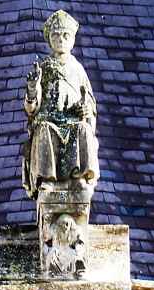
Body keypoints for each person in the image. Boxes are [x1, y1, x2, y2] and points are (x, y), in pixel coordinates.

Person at [22, 10, 99, 198]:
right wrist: (32, 88)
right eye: (55, 35)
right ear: (49, 39)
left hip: (72, 121)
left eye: (66, 35)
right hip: (50, 120)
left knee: (83, 130)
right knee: (44, 130)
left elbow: (89, 102)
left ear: (72, 39)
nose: (61, 40)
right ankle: (47, 180)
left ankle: (79, 178)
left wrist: (86, 110)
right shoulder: (44, 67)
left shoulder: (78, 69)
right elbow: (32, 108)